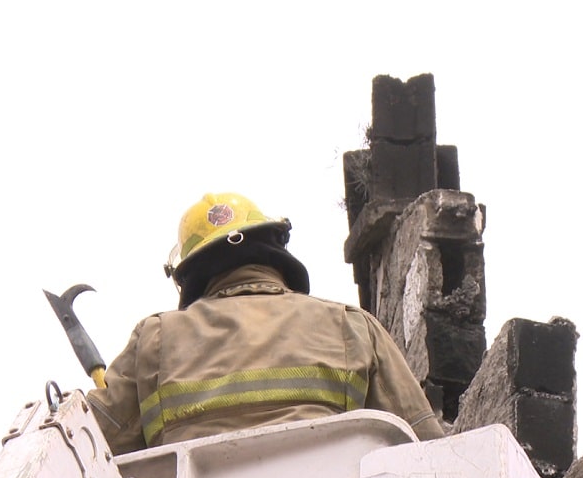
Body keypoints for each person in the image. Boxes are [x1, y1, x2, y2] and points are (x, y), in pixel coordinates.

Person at [87, 192, 443, 454]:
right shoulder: (352, 327)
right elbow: (430, 455)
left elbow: (89, 452)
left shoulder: (154, 339)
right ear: (275, 246)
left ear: (189, 274)